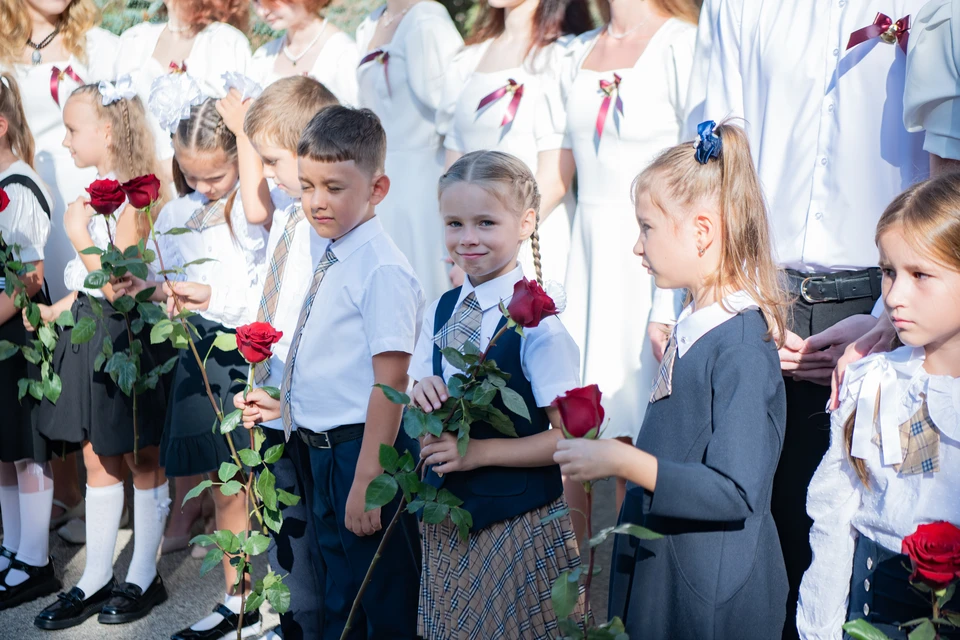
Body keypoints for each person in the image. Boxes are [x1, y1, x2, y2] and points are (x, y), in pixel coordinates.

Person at [693, 3, 930, 634]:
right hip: (760, 295)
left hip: (891, 302)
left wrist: (888, 314)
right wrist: (732, 292)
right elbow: (712, 149)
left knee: (866, 545)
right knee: (748, 537)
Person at [555, 122, 791, 639]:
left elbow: (735, 490)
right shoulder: (692, 320)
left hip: (709, 598)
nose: (638, 247)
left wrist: (622, 461)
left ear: (702, 231)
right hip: (670, 574)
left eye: (647, 228)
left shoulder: (742, 347)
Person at [235, 106, 424, 639]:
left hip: (358, 452)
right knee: (340, 590)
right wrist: (288, 404)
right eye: (309, 185)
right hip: (317, 446)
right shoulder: (333, 249)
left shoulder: (380, 267)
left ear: (377, 188)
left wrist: (368, 477)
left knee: (375, 595)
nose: (318, 201)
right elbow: (330, 359)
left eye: (336, 187)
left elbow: (389, 384)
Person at [411, 150, 585, 639]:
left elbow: (568, 437)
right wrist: (419, 389)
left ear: (526, 221)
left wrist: (479, 452)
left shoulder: (539, 327)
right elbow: (418, 382)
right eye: (454, 223)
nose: (467, 238)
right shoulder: (441, 309)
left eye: (486, 222)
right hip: (448, 523)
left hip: (514, 524)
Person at [123, 95, 268, 640]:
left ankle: (252, 595)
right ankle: (237, 596)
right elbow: (169, 278)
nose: (205, 186)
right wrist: (153, 288)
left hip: (244, 347)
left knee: (243, 477)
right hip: (197, 349)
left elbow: (258, 284)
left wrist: (210, 294)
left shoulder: (254, 206)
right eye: (191, 175)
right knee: (219, 479)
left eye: (217, 174)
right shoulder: (177, 213)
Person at [28, 81, 169, 630]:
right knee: (94, 455)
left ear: (105, 131)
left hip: (126, 340)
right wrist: (57, 309)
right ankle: (93, 578)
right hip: (93, 335)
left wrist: (75, 230)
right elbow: (89, 290)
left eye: (71, 129)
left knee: (139, 454)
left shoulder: (136, 195)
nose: (64, 142)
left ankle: (142, 574)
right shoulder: (100, 189)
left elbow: (116, 283)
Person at [797, 173, 960, 639]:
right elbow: (833, 521)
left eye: (920, 275)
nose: (893, 296)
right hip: (876, 617)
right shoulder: (873, 383)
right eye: (888, 272)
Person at [549, 0, 698, 510]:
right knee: (572, 428)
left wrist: (670, 298)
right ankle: (578, 586)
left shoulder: (682, 43)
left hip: (648, 261)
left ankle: (631, 582)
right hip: (584, 258)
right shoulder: (573, 52)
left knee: (635, 426)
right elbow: (558, 175)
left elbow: (695, 174)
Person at [239, 75, 339, 640]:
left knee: (311, 519)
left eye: (272, 161)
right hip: (272, 387)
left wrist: (289, 395)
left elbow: (313, 320)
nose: (269, 176)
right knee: (283, 517)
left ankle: (317, 622)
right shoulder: (287, 213)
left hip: (302, 398)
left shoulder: (321, 231)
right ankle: (295, 618)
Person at [436, 0, 593, 286]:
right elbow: (452, 166)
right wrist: (465, 243)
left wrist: (499, 244)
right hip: (471, 249)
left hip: (533, 240)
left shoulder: (563, 56)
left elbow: (555, 178)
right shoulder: (469, 58)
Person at [355, 0, 463, 301]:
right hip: (375, 181)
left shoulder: (428, 20)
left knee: (421, 287)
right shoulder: (371, 22)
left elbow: (454, 111)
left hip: (421, 185)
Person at [0, 72, 57, 611]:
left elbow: (28, 277)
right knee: (3, 450)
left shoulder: (16, 186)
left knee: (26, 449)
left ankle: (36, 560)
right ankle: (12, 548)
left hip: (17, 330)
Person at [114, 0, 253, 183]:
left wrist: (172, 171)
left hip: (200, 186)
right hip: (134, 183)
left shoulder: (226, 42)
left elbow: (241, 127)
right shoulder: (134, 40)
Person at [251, 0, 359, 104]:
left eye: (272, 1)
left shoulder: (344, 54)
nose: (262, 12)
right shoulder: (264, 56)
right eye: (256, 1)